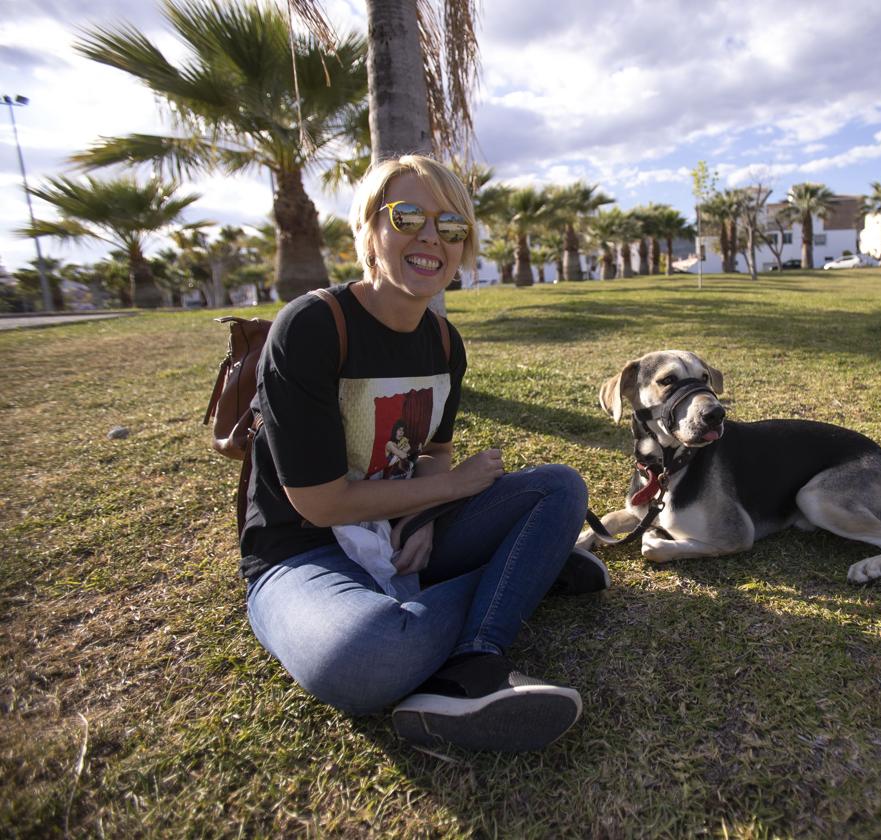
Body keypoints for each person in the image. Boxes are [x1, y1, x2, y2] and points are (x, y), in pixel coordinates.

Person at [240, 154, 608, 752]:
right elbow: (320, 503)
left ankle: (474, 663)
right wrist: (451, 489)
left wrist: (423, 517)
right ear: (368, 230)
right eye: (408, 215)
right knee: (363, 659)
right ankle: (525, 573)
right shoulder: (312, 326)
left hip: (399, 535)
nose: (431, 236)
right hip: (302, 552)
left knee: (560, 486)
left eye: (452, 225)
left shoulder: (442, 341)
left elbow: (434, 452)